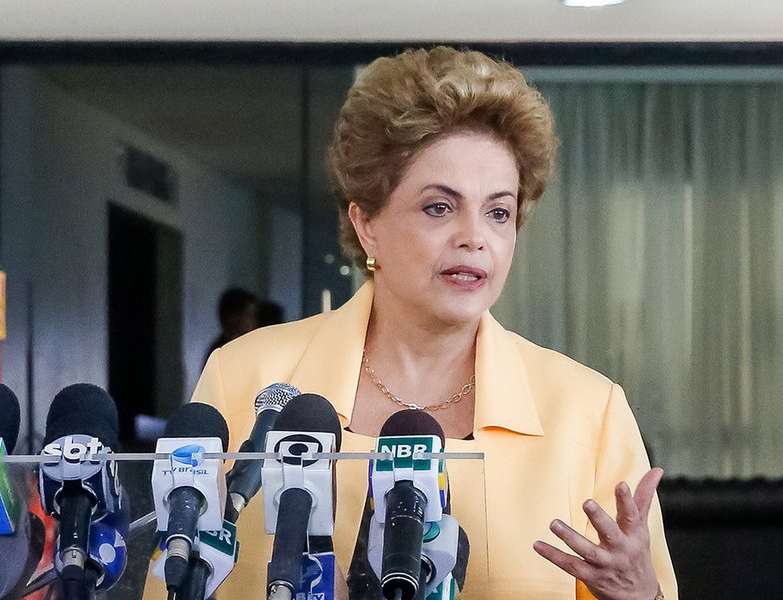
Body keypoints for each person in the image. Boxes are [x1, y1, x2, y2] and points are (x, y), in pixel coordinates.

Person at [184, 47, 676, 599]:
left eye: (498, 212)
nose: (475, 237)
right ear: (367, 223)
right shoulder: (246, 381)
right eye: (439, 207)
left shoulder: (590, 411)